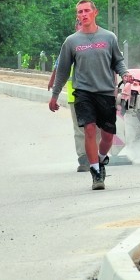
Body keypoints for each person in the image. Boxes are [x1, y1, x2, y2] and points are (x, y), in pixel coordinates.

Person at [49, 0, 132, 190]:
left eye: (86, 11)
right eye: (79, 12)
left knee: (108, 135)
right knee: (89, 129)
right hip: (83, 92)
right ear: (77, 16)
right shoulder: (71, 41)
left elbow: (118, 61)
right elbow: (62, 70)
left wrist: (125, 74)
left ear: (95, 13)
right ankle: (95, 172)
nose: (83, 14)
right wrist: (54, 95)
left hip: (106, 92)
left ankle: (102, 160)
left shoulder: (109, 37)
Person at [47, 20, 100, 173]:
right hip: (75, 94)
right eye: (79, 26)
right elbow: (60, 66)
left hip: (98, 93)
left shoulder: (98, 44)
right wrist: (53, 84)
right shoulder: (70, 44)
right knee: (79, 128)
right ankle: (84, 158)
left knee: (96, 127)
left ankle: (94, 155)